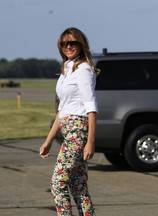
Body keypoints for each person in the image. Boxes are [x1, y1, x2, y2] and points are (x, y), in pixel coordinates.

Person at [39, 27, 99, 216]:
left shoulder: (83, 70)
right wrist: (49, 140)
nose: (68, 47)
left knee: (58, 184)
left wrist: (90, 141)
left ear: (81, 44)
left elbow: (91, 107)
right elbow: (62, 110)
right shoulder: (67, 68)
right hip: (68, 129)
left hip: (78, 131)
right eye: (64, 44)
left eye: (73, 43)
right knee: (78, 186)